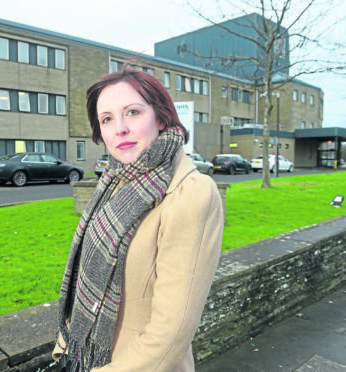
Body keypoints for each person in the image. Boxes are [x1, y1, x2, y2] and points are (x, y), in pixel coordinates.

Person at [53, 65, 224, 371]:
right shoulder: (115, 182)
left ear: (160, 117)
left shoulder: (191, 193)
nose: (119, 128)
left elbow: (171, 332)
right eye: (107, 119)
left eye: (132, 112)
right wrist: (67, 347)